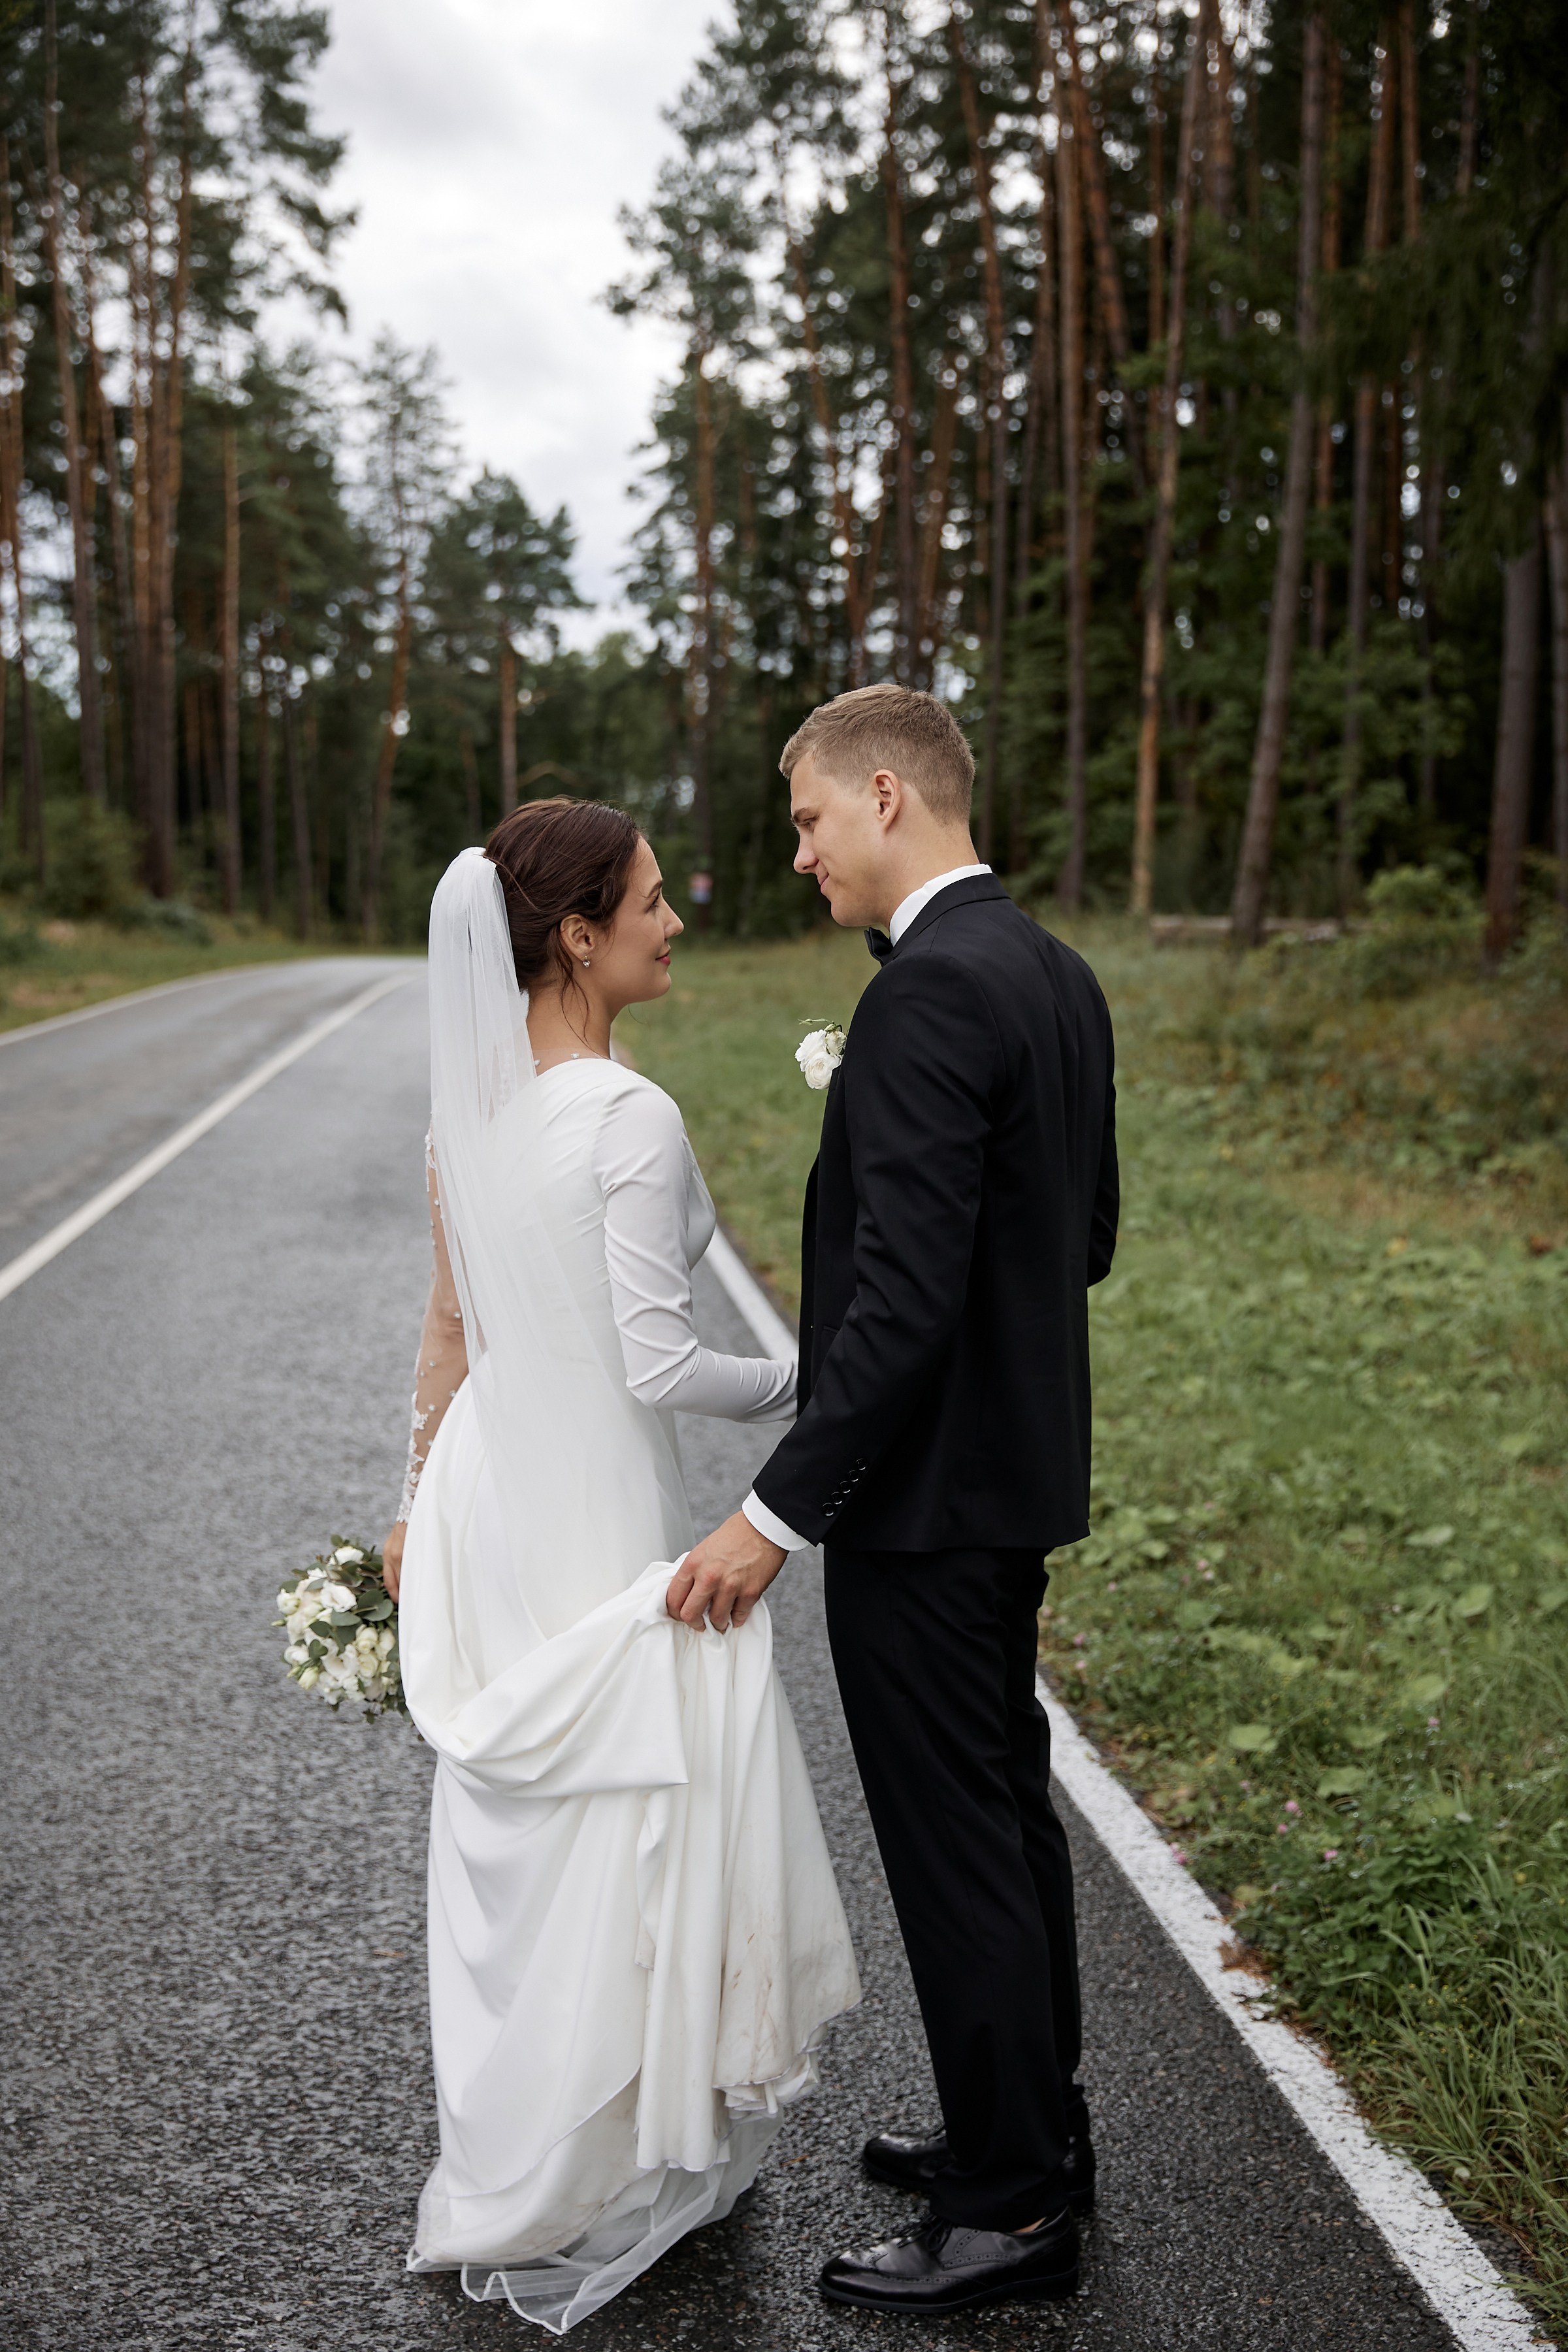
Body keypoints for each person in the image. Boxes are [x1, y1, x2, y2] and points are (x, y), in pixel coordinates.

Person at [668, 684, 1119, 2317]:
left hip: (923, 1505)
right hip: (1010, 1479)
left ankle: (1011, 2212)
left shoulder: (929, 990)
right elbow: (1083, 1240)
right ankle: (1031, 2134)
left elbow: (904, 1301)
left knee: (955, 1848)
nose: (799, 855)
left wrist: (773, 1515)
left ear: (883, 794)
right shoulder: (1053, 972)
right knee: (1004, 1813)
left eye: (806, 821)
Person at [382, 800, 859, 2335]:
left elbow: (448, 1330)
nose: (675, 919)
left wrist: (410, 1507)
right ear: (579, 937)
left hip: (486, 1490)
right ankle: (621, 2140)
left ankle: (522, 2145)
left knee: (524, 1807)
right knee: (622, 1796)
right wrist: (811, 1384)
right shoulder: (626, 1116)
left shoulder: (468, 1112)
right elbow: (661, 1362)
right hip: (589, 1486)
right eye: (652, 900)